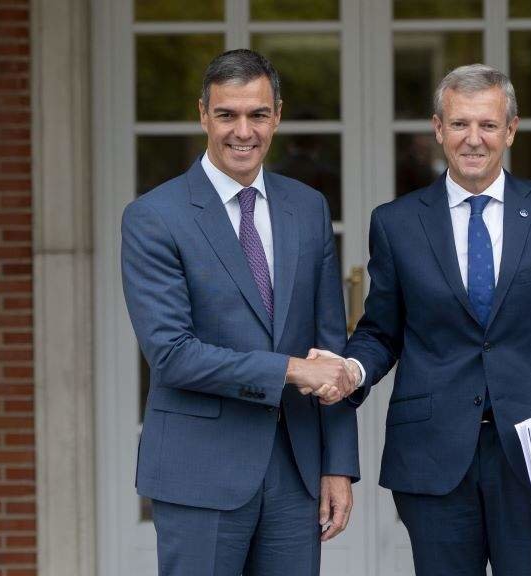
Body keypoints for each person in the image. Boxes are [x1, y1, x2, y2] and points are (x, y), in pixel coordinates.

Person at [318, 64, 531, 575]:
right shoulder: (396, 223)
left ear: (511, 130)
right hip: (433, 457)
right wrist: (353, 372)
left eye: (488, 125)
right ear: (438, 129)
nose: (473, 139)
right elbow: (381, 331)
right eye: (459, 124)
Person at [121, 49, 359, 576]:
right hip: (199, 469)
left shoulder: (308, 208)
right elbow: (173, 355)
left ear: (277, 115)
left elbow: (329, 346)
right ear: (203, 115)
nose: (242, 131)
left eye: (257, 114)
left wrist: (338, 465)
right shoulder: (154, 218)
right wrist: (292, 370)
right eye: (227, 114)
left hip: (297, 472)